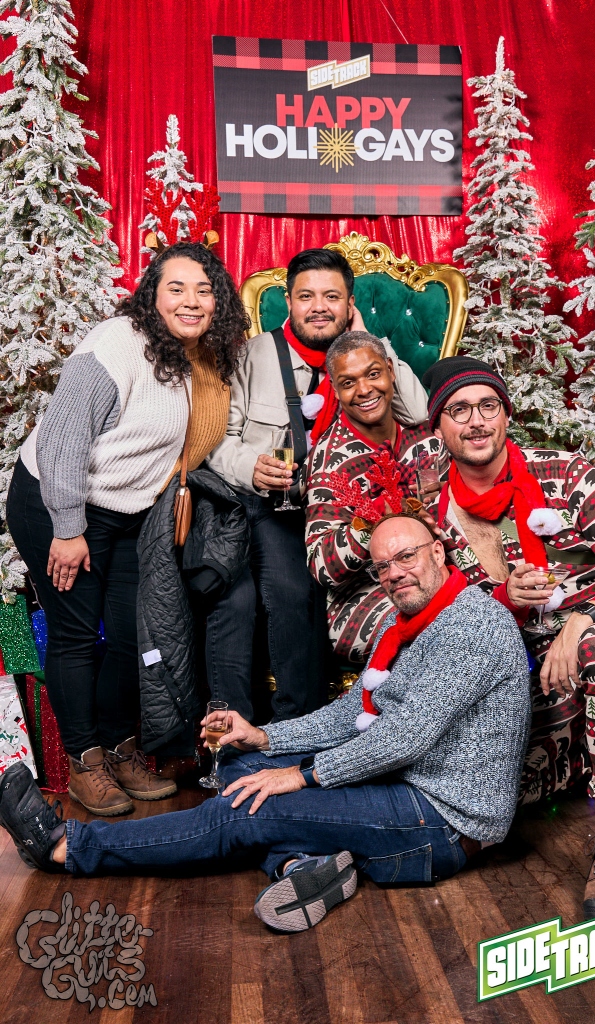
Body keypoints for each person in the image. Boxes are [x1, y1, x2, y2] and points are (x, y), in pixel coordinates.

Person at [0, 514, 531, 934]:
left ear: (438, 552)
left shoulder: (471, 623)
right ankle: (302, 866)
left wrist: (299, 776)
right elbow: (354, 714)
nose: (395, 573)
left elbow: (402, 739)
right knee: (241, 760)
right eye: (383, 566)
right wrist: (264, 736)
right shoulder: (408, 623)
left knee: (251, 808)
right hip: (398, 782)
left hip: (441, 820)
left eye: (406, 556)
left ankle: (67, 846)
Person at [420, 354, 595, 919]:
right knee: (504, 783)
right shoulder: (432, 511)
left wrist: (584, 618)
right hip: (537, 650)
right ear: (437, 426)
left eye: (488, 406)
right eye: (459, 410)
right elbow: (451, 613)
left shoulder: (563, 472)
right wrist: (505, 597)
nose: (477, 421)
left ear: (505, 415)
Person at [6, 241, 249, 817]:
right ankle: (84, 762)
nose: (192, 301)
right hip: (57, 503)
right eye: (176, 288)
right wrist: (68, 529)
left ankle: (119, 749)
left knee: (126, 636)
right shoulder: (116, 344)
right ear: (151, 296)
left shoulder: (196, 357)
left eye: (205, 290)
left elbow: (191, 441)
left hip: (127, 514)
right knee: (75, 634)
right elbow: (63, 440)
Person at [205, 248, 428, 721]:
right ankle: (292, 723)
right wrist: (251, 467)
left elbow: (418, 413)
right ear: (289, 301)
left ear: (350, 304)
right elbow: (217, 440)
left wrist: (371, 341)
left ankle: (326, 724)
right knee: (293, 590)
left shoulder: (364, 358)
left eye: (332, 296)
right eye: (306, 296)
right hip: (274, 503)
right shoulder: (252, 355)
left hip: (350, 504)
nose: (319, 307)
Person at [305, 330, 442, 664]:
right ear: (335, 389)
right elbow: (321, 565)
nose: (364, 389)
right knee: (443, 629)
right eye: (348, 382)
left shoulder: (422, 433)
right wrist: (376, 517)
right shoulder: (330, 464)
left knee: (484, 608)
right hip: (364, 596)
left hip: (434, 570)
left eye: (373, 374)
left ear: (390, 372)